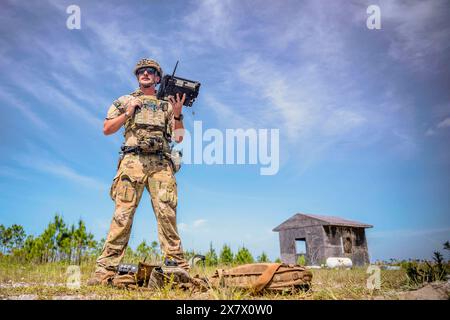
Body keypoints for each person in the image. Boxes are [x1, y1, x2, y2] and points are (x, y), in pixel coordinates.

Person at [88, 58, 188, 286]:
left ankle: (177, 269)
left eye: (150, 71)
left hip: (161, 165)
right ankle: (105, 271)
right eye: (141, 71)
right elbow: (106, 129)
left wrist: (178, 113)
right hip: (132, 162)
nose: (145, 73)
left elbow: (179, 137)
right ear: (137, 77)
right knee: (122, 216)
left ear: (157, 77)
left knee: (167, 216)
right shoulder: (125, 100)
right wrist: (128, 112)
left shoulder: (167, 104)